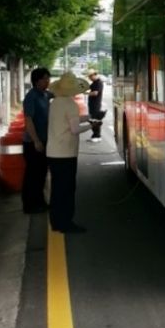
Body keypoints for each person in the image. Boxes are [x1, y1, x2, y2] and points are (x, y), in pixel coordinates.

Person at [47, 72, 96, 234]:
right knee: (67, 190)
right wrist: (92, 126)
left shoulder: (55, 103)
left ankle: (56, 222)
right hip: (66, 153)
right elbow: (75, 129)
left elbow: (70, 121)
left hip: (53, 152)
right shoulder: (70, 104)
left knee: (56, 189)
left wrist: (88, 117)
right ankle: (66, 222)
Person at [22, 67, 52, 214]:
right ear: (37, 81)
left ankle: (39, 202)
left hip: (44, 140)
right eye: (45, 78)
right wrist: (36, 141)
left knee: (41, 174)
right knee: (32, 174)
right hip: (32, 143)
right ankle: (29, 204)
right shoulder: (31, 97)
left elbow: (60, 92)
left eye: (48, 78)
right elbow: (28, 120)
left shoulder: (46, 95)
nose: (48, 81)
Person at [86, 69, 104, 142]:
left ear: (93, 75)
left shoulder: (98, 83)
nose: (89, 78)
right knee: (92, 120)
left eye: (90, 77)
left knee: (95, 120)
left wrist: (86, 93)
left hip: (96, 104)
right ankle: (94, 135)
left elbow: (95, 93)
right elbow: (87, 87)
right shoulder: (94, 82)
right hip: (92, 104)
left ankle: (97, 136)